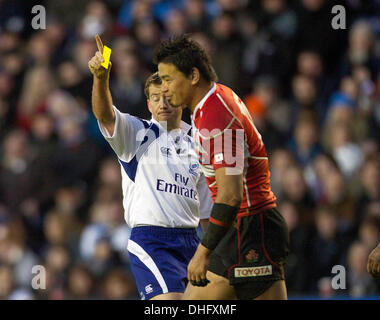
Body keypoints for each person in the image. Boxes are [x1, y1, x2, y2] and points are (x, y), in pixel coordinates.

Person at [154, 35, 289, 300]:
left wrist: (202, 251)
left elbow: (230, 194)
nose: (164, 88)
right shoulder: (212, 102)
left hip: (248, 228)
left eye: (169, 79)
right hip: (253, 227)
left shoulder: (217, 115)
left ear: (193, 75)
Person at [88, 35, 212, 300]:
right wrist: (101, 79)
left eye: (167, 97)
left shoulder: (199, 143)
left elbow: (207, 212)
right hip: (153, 240)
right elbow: (104, 114)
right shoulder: (136, 132)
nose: (162, 104)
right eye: (155, 98)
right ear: (148, 104)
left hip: (192, 240)